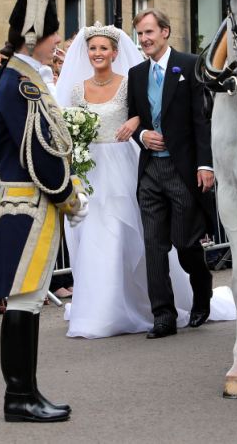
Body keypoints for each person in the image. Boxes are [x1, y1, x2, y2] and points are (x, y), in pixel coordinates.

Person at [54, 23, 199, 338]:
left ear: (115, 53)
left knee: (126, 233)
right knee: (93, 236)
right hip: (89, 171)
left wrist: (136, 121)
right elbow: (64, 127)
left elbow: (146, 112)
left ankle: (144, 303)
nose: (97, 54)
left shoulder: (129, 81)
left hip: (124, 165)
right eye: (93, 48)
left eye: (104, 48)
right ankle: (100, 311)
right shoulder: (77, 89)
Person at [0, 0, 89, 423]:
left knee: (25, 300)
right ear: (39, 37)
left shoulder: (21, 77)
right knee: (25, 300)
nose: (58, 43)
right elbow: (40, 153)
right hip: (27, 205)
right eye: (55, 35)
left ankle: (24, 393)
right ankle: (19, 396)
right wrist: (69, 194)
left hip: (24, 203)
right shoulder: (22, 84)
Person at [126, 9, 214, 339]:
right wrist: (142, 135)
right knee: (154, 244)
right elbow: (135, 118)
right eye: (140, 34)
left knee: (186, 243)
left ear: (165, 31)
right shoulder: (136, 74)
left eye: (149, 32)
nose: (145, 39)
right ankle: (162, 315)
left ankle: (201, 289)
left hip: (182, 170)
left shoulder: (190, 65)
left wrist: (205, 164)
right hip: (150, 171)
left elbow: (202, 119)